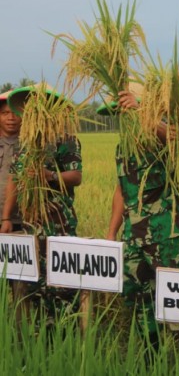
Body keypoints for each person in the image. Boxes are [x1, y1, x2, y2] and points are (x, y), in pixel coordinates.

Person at [100, 83, 179, 353]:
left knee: (175, 300)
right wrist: (112, 232)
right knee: (138, 300)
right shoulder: (122, 146)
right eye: (121, 112)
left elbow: (177, 140)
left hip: (164, 236)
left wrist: (142, 112)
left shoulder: (160, 134)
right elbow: (121, 189)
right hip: (133, 237)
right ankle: (152, 358)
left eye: (128, 109)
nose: (125, 116)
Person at [1, 84, 83, 319]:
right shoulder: (26, 142)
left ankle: (65, 330)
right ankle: (38, 336)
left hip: (59, 224)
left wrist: (50, 177)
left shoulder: (65, 139)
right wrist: (7, 217)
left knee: (61, 285)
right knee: (33, 285)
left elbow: (76, 177)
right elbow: (14, 180)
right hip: (30, 225)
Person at [0, 91, 22, 232]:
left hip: (20, 219)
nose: (11, 118)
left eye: (16, 112)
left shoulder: (32, 146)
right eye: (5, 113)